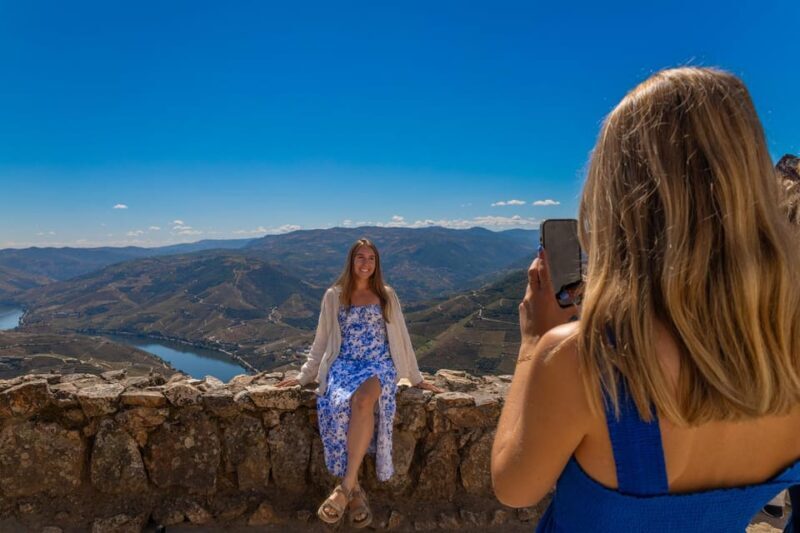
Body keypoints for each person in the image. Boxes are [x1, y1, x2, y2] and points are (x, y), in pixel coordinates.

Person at [491, 67, 800, 532]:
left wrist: (534, 343)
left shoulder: (586, 360)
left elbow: (515, 488)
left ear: (620, 199)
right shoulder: (787, 350)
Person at [277, 238, 441, 527]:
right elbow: (322, 340)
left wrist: (415, 378)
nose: (366, 263)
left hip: (379, 365)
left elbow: (402, 337)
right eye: (360, 257)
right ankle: (355, 493)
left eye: (371, 259)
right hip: (344, 365)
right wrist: (305, 376)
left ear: (377, 265)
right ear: (351, 262)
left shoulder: (386, 295)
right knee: (337, 406)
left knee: (362, 400)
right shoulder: (334, 296)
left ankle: (343, 487)